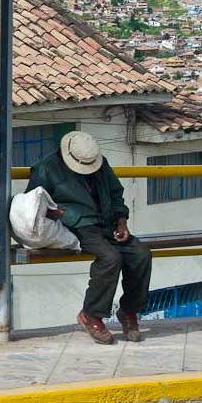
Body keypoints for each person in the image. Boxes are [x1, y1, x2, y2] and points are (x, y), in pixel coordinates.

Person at [26, 131, 152, 344]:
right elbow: (32, 202)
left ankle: (129, 312)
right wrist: (52, 212)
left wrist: (122, 221)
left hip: (107, 221)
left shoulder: (100, 164)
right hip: (78, 224)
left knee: (141, 254)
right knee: (110, 257)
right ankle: (91, 314)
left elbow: (115, 193)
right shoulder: (46, 168)